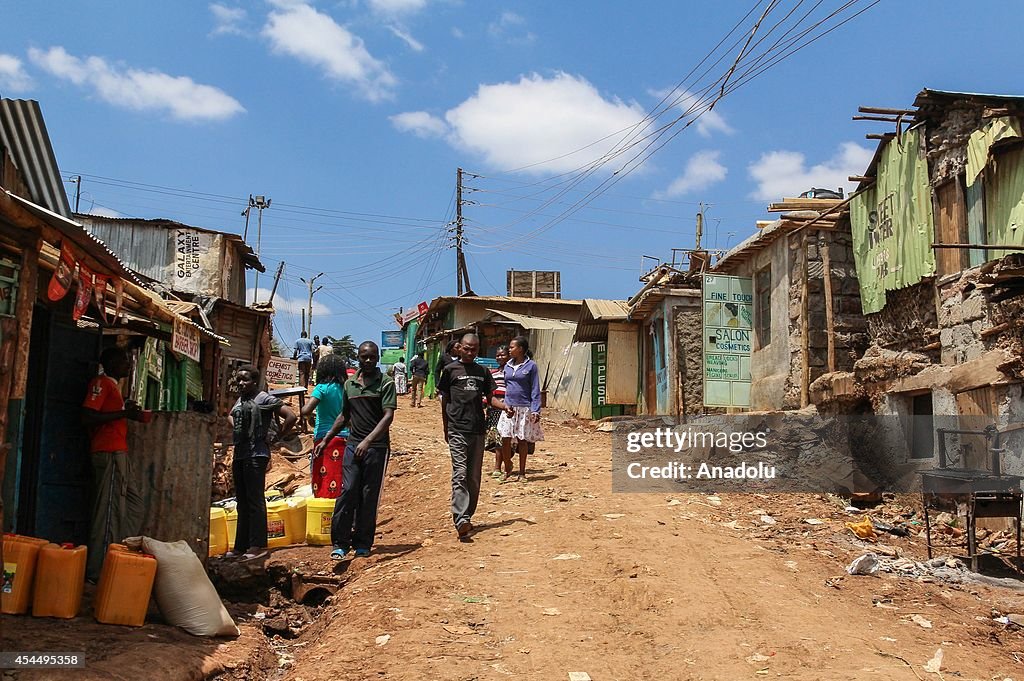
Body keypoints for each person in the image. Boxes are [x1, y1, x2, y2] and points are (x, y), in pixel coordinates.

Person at [316, 341, 396, 560]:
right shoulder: (349, 384)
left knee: (368, 495)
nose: (368, 360)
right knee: (348, 490)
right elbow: (344, 415)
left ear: (377, 357)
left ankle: (363, 543)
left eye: (372, 357)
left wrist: (368, 441)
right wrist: (326, 439)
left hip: (377, 448)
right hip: (352, 446)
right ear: (358, 358)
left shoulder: (386, 384)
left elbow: (388, 416)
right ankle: (340, 542)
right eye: (364, 357)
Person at [82, 346, 147, 581]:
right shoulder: (101, 384)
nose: (128, 364)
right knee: (108, 512)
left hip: (119, 452)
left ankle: (117, 555)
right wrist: (123, 414)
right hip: (108, 451)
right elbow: (88, 416)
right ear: (110, 363)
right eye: (123, 360)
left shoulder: (114, 387)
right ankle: (98, 571)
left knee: (133, 506)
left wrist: (126, 411)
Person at [438, 334, 506, 541]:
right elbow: (444, 400)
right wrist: (445, 427)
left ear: (478, 350)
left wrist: (505, 407)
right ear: (459, 348)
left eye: (474, 349)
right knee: (459, 473)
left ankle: (467, 515)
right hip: (457, 429)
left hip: (477, 429)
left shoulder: (483, 372)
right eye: (466, 349)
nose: (470, 352)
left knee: (473, 477)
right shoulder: (450, 371)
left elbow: (490, 397)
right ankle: (460, 518)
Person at [228, 365, 297, 559]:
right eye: (238, 380)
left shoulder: (264, 398)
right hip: (240, 453)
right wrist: (238, 430)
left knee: (254, 500)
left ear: (255, 381)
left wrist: (277, 437)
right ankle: (240, 546)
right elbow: (230, 416)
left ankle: (257, 545)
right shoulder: (241, 400)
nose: (241, 383)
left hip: (257, 455)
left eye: (245, 380)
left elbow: (291, 416)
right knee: (241, 501)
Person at [301, 354, 349, 498]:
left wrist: (307, 415)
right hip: (346, 438)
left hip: (324, 440)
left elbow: (306, 410)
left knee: (322, 480)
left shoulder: (322, 388)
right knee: (340, 478)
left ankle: (324, 515)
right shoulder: (346, 389)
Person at [498, 336, 544, 482]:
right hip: (508, 407)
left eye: (512, 347)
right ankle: (508, 465)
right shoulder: (507, 366)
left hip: (524, 407)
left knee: (522, 440)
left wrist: (536, 409)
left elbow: (535, 389)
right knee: (505, 438)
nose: (509, 350)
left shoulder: (531, 366)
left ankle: (522, 472)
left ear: (521, 349)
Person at [487, 345, 509, 477]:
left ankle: (499, 466)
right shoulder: (493, 373)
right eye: (498, 355)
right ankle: (502, 464)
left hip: (507, 408)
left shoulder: (511, 372)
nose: (499, 357)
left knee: (503, 438)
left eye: (503, 355)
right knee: (494, 437)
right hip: (494, 408)